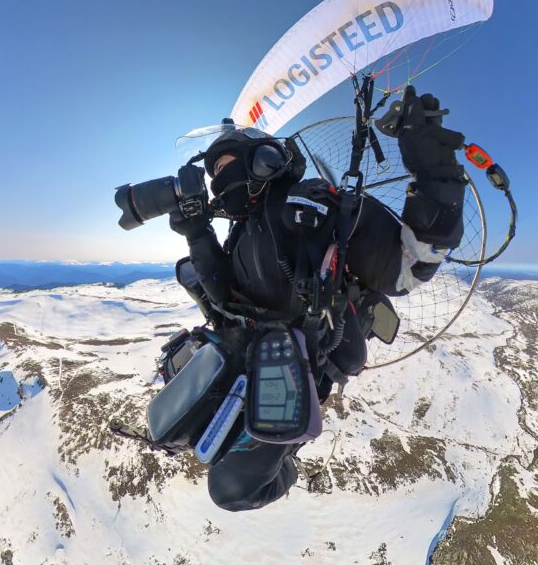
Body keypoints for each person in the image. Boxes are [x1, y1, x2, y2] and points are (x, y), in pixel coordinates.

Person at [168, 86, 467, 511]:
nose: (219, 178)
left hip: (297, 369)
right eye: (214, 171)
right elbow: (222, 295)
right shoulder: (240, 233)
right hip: (246, 361)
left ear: (263, 160)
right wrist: (198, 233)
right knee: (178, 429)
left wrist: (432, 166)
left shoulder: (317, 207)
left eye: (225, 164)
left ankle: (289, 462)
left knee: (233, 488)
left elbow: (410, 265)